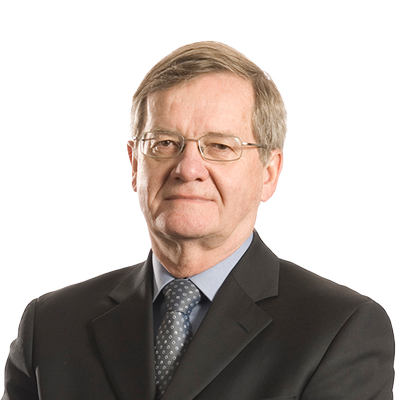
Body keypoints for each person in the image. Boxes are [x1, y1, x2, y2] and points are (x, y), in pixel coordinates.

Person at [2, 41, 395, 400]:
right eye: (164, 143)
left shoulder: (339, 328)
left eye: (220, 146)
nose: (188, 168)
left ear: (269, 173)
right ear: (135, 164)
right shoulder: (50, 326)